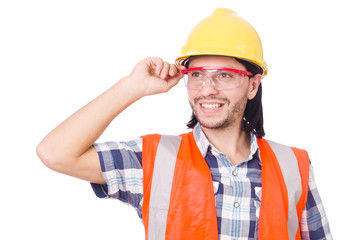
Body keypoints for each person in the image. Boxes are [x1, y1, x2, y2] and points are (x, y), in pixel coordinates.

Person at [37, 8, 332, 240]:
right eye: (197, 74)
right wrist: (132, 86)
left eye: (224, 75)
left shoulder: (295, 166)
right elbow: (55, 152)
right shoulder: (154, 160)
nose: (207, 89)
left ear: (253, 85)